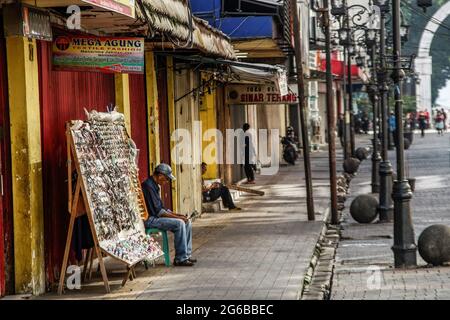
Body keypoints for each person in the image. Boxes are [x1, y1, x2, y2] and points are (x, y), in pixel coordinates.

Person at [142, 163, 196, 267]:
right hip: (151, 219)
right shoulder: (148, 186)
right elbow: (159, 212)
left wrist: (179, 215)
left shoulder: (154, 185)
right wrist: (178, 218)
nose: (166, 182)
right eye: (166, 179)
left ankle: (186, 255)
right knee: (180, 223)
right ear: (160, 175)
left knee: (187, 221)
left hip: (156, 216)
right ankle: (180, 258)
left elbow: (163, 208)